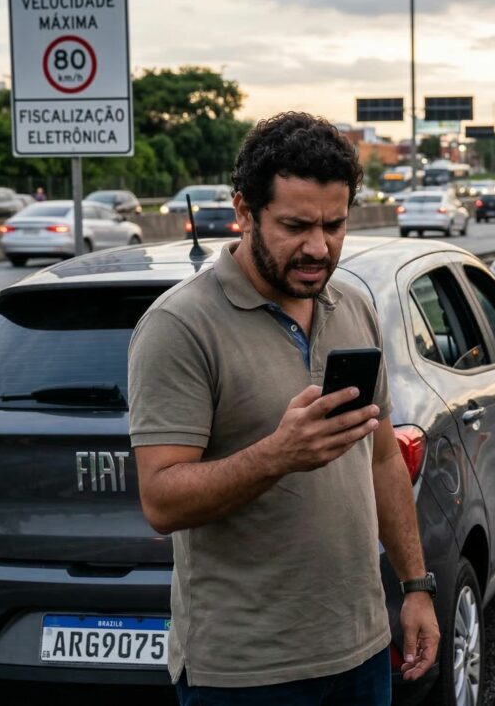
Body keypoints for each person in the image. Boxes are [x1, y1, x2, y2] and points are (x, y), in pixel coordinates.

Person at [128, 112, 439, 705]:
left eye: (335, 225)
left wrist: (416, 586)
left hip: (361, 649)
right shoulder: (179, 326)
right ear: (244, 212)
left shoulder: (352, 305)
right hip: (246, 673)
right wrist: (278, 455)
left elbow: (380, 460)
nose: (319, 247)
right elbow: (161, 501)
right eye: (296, 226)